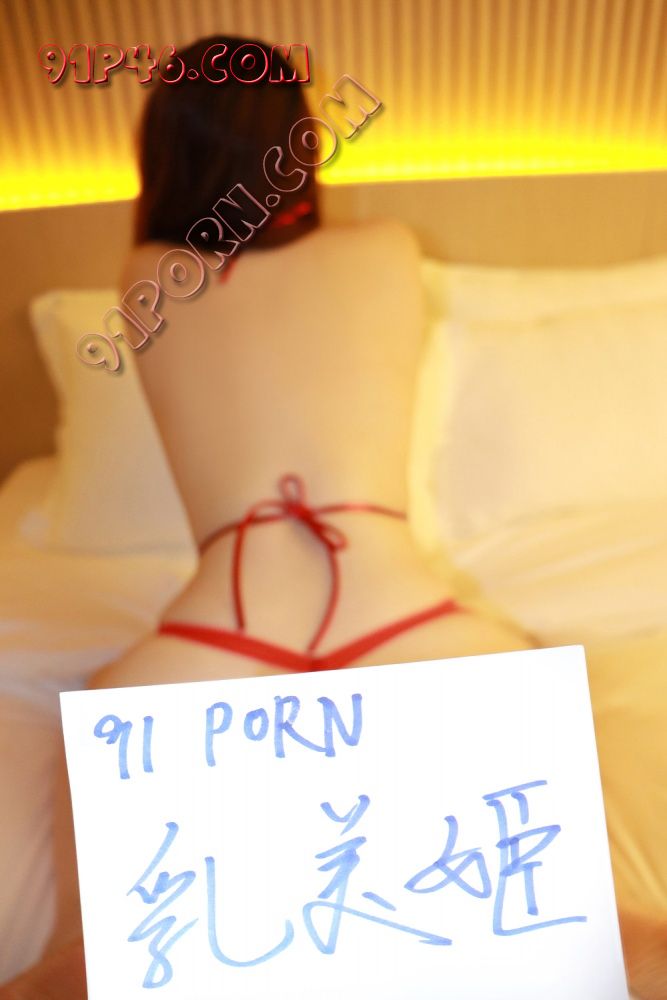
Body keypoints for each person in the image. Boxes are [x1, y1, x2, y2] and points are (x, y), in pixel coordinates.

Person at [5, 34, 657, 999]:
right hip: (404, 623)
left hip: (222, 633)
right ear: (299, 138)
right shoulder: (385, 250)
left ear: (167, 144)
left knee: (87, 944)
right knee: (600, 920)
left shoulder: (147, 272)